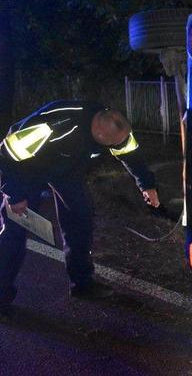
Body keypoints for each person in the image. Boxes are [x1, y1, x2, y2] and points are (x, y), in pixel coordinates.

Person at [0, 100, 160, 316]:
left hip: (66, 171)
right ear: (99, 134)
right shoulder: (57, 125)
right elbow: (8, 155)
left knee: (80, 220)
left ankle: (83, 284)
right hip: (27, 169)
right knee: (14, 232)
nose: (115, 149)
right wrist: (16, 194)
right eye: (110, 146)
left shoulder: (114, 130)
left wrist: (147, 185)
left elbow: (131, 153)